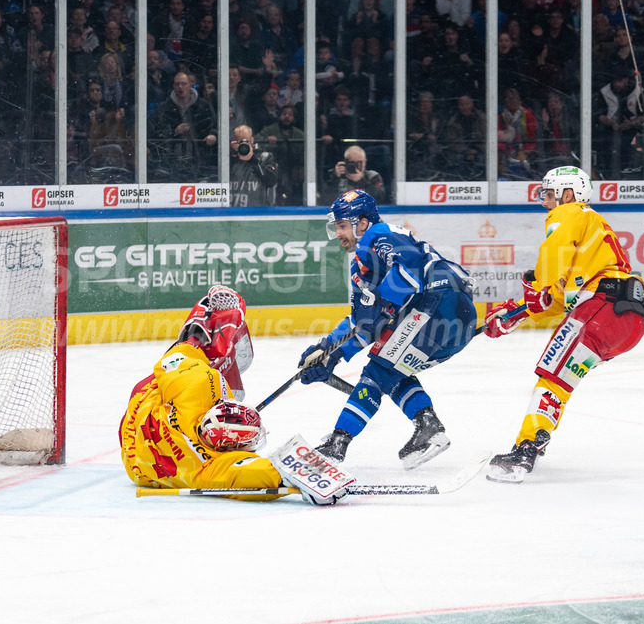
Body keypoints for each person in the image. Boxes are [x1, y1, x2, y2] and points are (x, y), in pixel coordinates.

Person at [483, 167, 644, 483]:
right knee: (561, 380)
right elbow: (557, 301)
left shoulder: (570, 212)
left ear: (568, 194)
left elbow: (553, 253)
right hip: (627, 321)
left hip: (602, 307)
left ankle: (525, 449)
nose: (545, 203)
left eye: (549, 194)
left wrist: (537, 288)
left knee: (551, 376)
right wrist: (515, 315)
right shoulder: (593, 230)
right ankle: (540, 434)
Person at [120, 285, 351, 505]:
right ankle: (204, 334)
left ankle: (200, 329)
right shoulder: (208, 468)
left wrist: (193, 343)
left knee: (194, 360)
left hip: (138, 419)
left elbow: (170, 362)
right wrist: (305, 479)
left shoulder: (199, 386)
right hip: (134, 460)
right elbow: (251, 473)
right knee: (199, 367)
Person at [299, 190, 477, 468]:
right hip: (455, 320)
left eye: (343, 225)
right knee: (390, 371)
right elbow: (365, 324)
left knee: (376, 373)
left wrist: (382, 298)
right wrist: (329, 351)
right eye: (336, 228)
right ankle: (427, 425)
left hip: (438, 302)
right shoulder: (361, 267)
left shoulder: (378, 235)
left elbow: (410, 266)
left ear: (362, 222)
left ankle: (337, 444)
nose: (339, 234)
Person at [229, 124, 278, 207]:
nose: (243, 145)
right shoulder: (227, 159)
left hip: (256, 212)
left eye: (245, 141)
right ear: (234, 142)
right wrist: (232, 155)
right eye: (239, 142)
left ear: (252, 140)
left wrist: (253, 159)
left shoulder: (264, 157)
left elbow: (271, 181)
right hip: (232, 212)